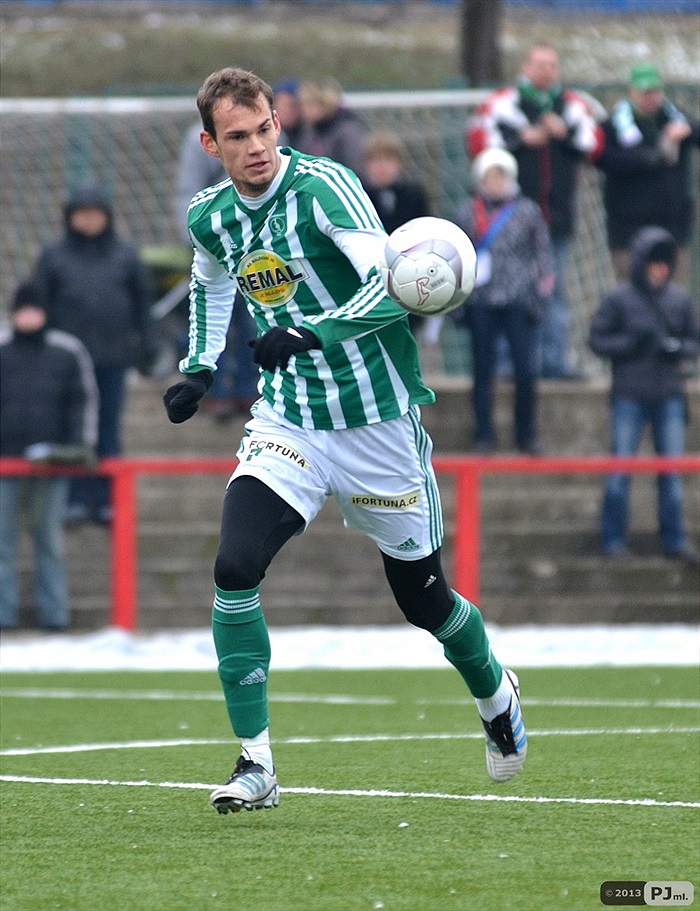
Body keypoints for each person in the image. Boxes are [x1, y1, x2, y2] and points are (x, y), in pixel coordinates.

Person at [163, 67, 528, 814]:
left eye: (265, 127)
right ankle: (256, 763)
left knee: (424, 600)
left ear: (278, 122)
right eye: (238, 136)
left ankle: (495, 690)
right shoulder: (211, 215)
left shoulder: (325, 187)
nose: (258, 146)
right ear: (211, 144)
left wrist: (312, 330)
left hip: (378, 423)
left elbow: (391, 287)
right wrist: (198, 367)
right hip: (289, 419)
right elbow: (211, 281)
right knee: (234, 564)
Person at [465, 43, 602, 379]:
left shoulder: (571, 105)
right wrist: (520, 140)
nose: (545, 71)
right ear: (525, 66)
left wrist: (564, 133)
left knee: (553, 292)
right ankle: (505, 365)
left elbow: (595, 144)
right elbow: (477, 143)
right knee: (504, 295)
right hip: (507, 225)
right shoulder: (502, 103)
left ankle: (554, 362)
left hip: (556, 220)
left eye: (551, 65)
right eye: (538, 64)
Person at [30, 184, 158, 526]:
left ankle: (107, 501)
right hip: (65, 364)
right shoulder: (54, 257)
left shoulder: (125, 256)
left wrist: (148, 347)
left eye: (95, 212)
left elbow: (142, 306)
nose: (88, 219)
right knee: (71, 430)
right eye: (81, 212)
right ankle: (74, 499)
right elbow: (37, 304)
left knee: (108, 429)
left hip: (113, 359)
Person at [588, 226, 699, 565]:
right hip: (629, 395)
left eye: (666, 264)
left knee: (672, 474)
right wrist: (630, 344)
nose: (661, 270)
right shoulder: (618, 299)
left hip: (668, 396)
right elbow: (596, 340)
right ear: (642, 264)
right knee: (619, 471)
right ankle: (612, 539)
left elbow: (695, 342)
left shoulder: (679, 300)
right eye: (654, 263)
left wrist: (676, 349)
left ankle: (675, 541)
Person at [0, 281, 98, 631]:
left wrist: (76, 448)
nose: (29, 316)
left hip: (52, 464)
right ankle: (4, 617)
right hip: (5, 465)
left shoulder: (67, 351)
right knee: (3, 543)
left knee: (49, 542)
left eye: (34, 308)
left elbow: (82, 402)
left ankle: (55, 616)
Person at [452, 148, 554, 455]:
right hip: (481, 300)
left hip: (518, 299)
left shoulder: (527, 211)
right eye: (490, 176)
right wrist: (458, 303)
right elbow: (455, 256)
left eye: (501, 176)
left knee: (525, 370)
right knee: (482, 370)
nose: (496, 183)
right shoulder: (467, 212)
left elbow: (543, 253)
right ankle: (483, 434)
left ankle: (526, 434)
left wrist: (541, 294)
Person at [594, 61, 700, 289]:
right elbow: (606, 160)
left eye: (655, 91)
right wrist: (656, 155)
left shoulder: (674, 118)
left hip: (672, 229)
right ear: (631, 92)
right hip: (629, 232)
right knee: (633, 298)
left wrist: (688, 128)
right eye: (645, 92)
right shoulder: (613, 126)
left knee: (673, 298)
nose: (651, 98)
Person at [362, 130, 433, 338]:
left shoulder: (414, 194)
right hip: (373, 281)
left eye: (387, 160)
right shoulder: (360, 196)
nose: (381, 167)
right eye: (375, 161)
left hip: (409, 281)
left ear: (399, 163)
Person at [298, 76, 368, 181]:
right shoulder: (312, 131)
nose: (304, 110)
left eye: (309, 104)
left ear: (323, 104)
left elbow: (354, 169)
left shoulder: (347, 130)